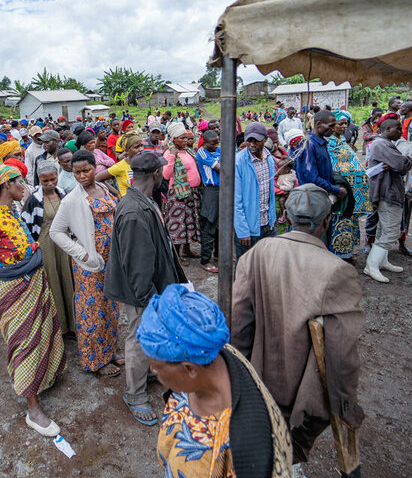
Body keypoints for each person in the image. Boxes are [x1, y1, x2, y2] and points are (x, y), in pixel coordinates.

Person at [231, 184, 364, 471]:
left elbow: (239, 321)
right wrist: (345, 406)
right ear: (327, 221)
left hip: (256, 379)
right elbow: (341, 352)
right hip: (301, 395)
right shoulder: (338, 270)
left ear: (286, 217)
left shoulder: (257, 252)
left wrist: (237, 380)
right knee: (287, 450)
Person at [139, 284, 292, 478]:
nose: (152, 370)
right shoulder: (212, 354)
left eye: (156, 366)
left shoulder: (248, 451)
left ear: (189, 369)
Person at [0, 163, 66, 437]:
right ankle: (33, 408)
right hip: (12, 287)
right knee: (24, 341)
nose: (23, 187)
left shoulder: (11, 211)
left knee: (44, 331)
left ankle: (45, 376)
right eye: (18, 182)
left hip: (33, 279)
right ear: (5, 185)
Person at [105, 151, 187, 426]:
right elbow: (138, 267)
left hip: (151, 287)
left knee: (148, 336)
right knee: (139, 338)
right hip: (141, 293)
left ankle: (145, 374)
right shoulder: (133, 212)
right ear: (154, 175)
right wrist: (149, 302)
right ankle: (135, 394)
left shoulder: (143, 201)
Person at [48, 150, 123, 377]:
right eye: (76, 172)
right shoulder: (72, 200)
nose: (81, 176)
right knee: (92, 310)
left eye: (86, 170)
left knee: (111, 306)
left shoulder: (105, 188)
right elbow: (55, 232)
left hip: (113, 258)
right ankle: (95, 361)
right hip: (91, 263)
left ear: (95, 168)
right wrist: (81, 254)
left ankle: (109, 351)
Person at [22, 161, 76, 337]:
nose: (50, 184)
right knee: (53, 282)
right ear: (39, 180)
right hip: (45, 243)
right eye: (45, 181)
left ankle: (74, 325)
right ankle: (59, 327)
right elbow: (27, 226)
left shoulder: (63, 194)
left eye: (53, 179)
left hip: (65, 242)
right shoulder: (33, 200)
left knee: (69, 280)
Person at [363, 119, 412, 283]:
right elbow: (401, 165)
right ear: (388, 129)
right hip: (387, 191)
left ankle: (381, 260)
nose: (401, 132)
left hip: (387, 190)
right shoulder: (381, 145)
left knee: (384, 229)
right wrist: (410, 159)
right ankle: (371, 265)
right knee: (391, 231)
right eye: (398, 129)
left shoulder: (382, 144)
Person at [326, 110, 371, 259]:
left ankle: (346, 251)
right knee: (338, 220)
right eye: (341, 124)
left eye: (346, 123)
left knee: (349, 221)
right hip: (339, 190)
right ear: (332, 125)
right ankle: (336, 253)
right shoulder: (328, 144)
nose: (344, 127)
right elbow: (333, 166)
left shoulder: (343, 142)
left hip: (352, 190)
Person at [233, 122, 277, 261]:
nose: (252, 144)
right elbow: (236, 200)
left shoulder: (268, 158)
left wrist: (272, 219)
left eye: (256, 141)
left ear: (265, 139)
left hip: (267, 225)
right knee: (245, 268)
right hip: (249, 228)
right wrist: (242, 231)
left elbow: (269, 193)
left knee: (266, 265)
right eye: (249, 140)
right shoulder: (239, 162)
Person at [162, 123, 202, 264]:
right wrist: (172, 156)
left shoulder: (188, 151)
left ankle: (187, 249)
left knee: (189, 221)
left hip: (192, 192)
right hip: (178, 194)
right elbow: (166, 175)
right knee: (178, 223)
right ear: (173, 139)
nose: (185, 141)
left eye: (186, 138)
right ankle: (176, 255)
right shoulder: (169, 153)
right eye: (182, 138)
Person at [195, 129, 221, 273]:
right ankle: (205, 260)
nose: (217, 145)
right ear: (204, 143)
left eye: (218, 142)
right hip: (212, 191)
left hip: (223, 190)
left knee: (221, 225)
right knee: (210, 227)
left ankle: (218, 254)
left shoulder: (219, 149)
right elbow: (222, 168)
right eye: (213, 143)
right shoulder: (202, 153)